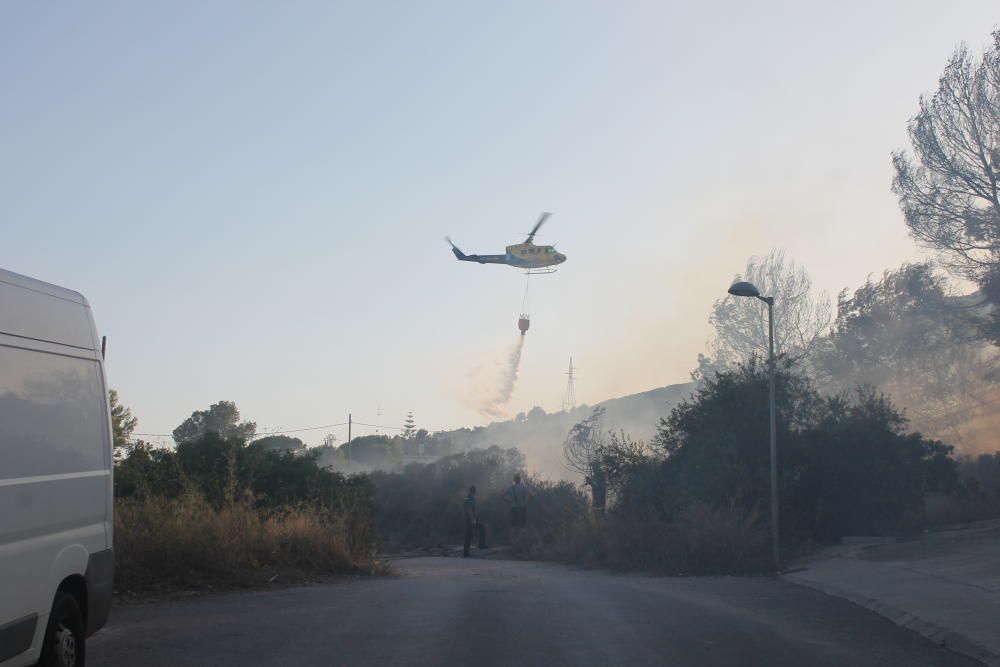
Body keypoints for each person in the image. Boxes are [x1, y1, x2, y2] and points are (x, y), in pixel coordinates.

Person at [503, 473, 531, 539]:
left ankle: (513, 540)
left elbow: (502, 496)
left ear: (514, 480)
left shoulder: (511, 488)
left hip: (513, 507)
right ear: (520, 480)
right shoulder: (524, 487)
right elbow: (531, 495)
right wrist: (526, 502)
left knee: (513, 524)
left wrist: (509, 502)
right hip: (522, 507)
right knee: (523, 524)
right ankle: (522, 540)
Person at [462, 485, 486, 557]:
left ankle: (481, 545)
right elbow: (469, 508)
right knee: (468, 535)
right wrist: (473, 519)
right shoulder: (471, 497)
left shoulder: (467, 497)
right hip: (470, 519)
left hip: (468, 518)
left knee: (481, 527)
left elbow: (465, 506)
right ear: (474, 491)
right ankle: (466, 553)